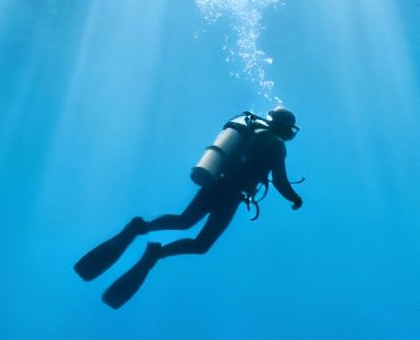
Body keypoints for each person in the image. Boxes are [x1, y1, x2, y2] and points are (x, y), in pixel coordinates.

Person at [75, 107, 303, 308]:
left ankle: (139, 228)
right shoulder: (276, 145)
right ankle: (156, 253)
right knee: (201, 244)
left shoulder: (253, 131)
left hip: (218, 182)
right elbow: (280, 181)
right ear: (286, 129)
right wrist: (295, 198)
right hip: (231, 194)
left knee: (183, 220)